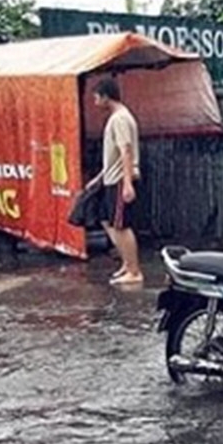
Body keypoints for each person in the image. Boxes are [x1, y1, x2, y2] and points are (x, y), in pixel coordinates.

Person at [88, 75, 143, 286]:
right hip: (112, 178)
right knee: (106, 219)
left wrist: (127, 183)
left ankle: (134, 270)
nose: (95, 102)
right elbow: (113, 155)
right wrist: (99, 178)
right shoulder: (116, 117)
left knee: (122, 225)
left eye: (96, 97)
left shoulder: (120, 118)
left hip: (121, 179)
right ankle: (127, 265)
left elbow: (126, 150)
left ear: (105, 97)